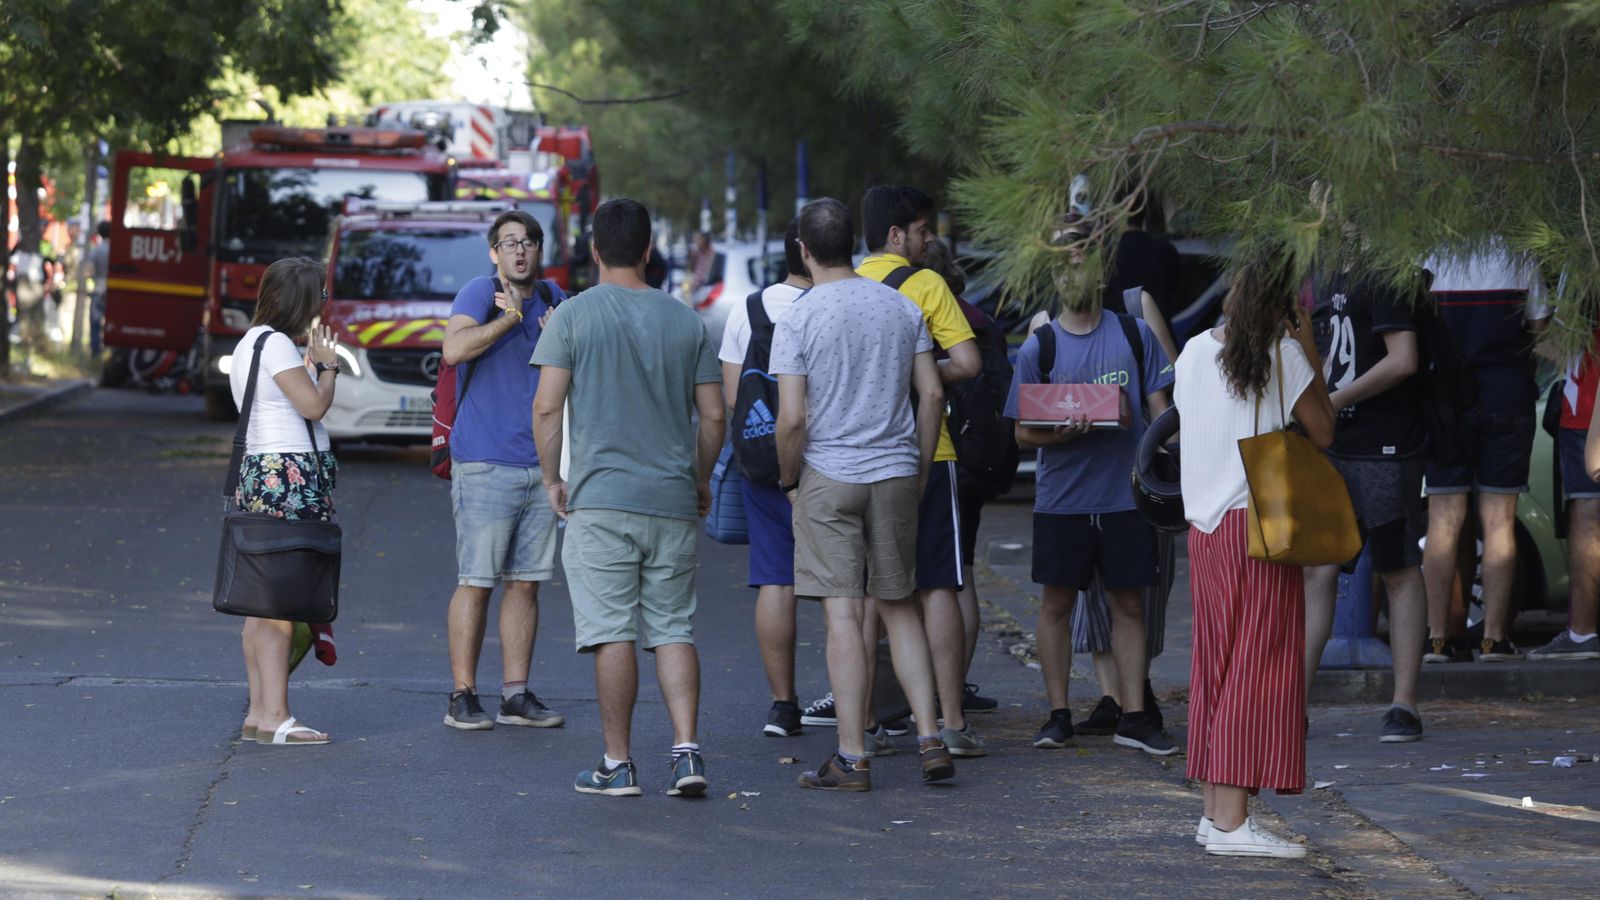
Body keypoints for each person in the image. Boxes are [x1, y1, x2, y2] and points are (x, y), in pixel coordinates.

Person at [532, 198, 724, 799]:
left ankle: (619, 763)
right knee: (673, 628)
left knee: (612, 631)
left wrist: (552, 479)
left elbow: (545, 407)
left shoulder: (571, 316)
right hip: (670, 498)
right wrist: (699, 477)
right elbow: (714, 415)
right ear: (647, 251)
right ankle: (687, 754)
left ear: (594, 251)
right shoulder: (685, 320)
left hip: (601, 500)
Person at [772, 197, 952, 790]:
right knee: (901, 607)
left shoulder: (798, 316)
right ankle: (931, 736)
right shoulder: (900, 306)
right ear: (853, 241)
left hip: (829, 474)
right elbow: (930, 396)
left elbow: (792, 418)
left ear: (803, 250)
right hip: (896, 470)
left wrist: (790, 479)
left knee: (845, 615)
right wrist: (919, 467)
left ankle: (852, 756)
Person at [1174, 251, 1334, 858]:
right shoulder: (1282, 354)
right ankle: (1234, 823)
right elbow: (1323, 429)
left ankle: (1216, 815)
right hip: (1258, 527)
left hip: (1206, 528)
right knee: (1256, 669)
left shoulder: (1191, 352)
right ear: (1281, 303)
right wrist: (1308, 340)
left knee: (1217, 666)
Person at [1005, 215, 1176, 757]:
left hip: (1125, 497)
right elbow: (1021, 433)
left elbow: (1163, 415)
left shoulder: (1133, 333)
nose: (1076, 270)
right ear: (1053, 276)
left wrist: (1160, 449)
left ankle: (1132, 716)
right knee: (1056, 604)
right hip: (1063, 501)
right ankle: (1057, 715)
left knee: (1130, 605)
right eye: (1065, 263)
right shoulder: (1042, 347)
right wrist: (1061, 431)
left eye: (1086, 259)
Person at [853, 184, 990, 757]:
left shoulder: (845, 287)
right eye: (921, 230)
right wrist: (916, 367)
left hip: (860, 458)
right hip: (928, 456)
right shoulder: (927, 284)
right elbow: (968, 362)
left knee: (865, 596)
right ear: (896, 235)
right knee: (938, 586)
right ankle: (950, 721)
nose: (928, 239)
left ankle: (859, 724)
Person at [438, 209, 566, 732]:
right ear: (494, 253)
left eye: (529, 242)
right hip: (485, 461)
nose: (520, 251)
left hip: (542, 465)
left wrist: (564, 335)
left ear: (539, 250)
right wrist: (509, 319)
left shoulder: (557, 298)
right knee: (477, 581)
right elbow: (453, 349)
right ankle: (462, 695)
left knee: (527, 584)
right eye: (509, 243)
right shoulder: (479, 292)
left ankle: (515, 694)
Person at [1301, 261, 1429, 741]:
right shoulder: (1325, 271)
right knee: (1317, 571)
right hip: (1332, 443)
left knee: (1395, 566)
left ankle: (1405, 704)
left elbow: (1404, 358)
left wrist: (1332, 401)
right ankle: (1295, 704)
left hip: (1384, 446)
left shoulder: (1383, 270)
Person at [231, 257, 343, 747]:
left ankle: (260, 713)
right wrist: (328, 368)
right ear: (302, 300)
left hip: (263, 475)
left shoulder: (250, 341)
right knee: (281, 605)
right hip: (287, 480)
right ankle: (276, 715)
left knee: (262, 604)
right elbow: (314, 405)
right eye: (320, 295)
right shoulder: (275, 343)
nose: (323, 303)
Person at [1420, 247, 1551, 662]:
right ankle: (1494, 638)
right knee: (1498, 522)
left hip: (1444, 400)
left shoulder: (1427, 254)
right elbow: (1540, 326)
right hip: (1506, 394)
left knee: (1442, 521)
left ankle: (1438, 638)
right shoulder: (1520, 255)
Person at [718, 220, 814, 736]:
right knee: (854, 588)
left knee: (776, 579)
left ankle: (784, 705)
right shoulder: (841, 306)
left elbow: (735, 400)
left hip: (766, 462)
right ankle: (864, 709)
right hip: (831, 462)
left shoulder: (750, 309)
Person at [918, 238, 1006, 712]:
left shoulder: (919, 311)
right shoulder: (979, 320)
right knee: (960, 574)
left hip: (936, 452)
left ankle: (922, 694)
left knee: (926, 585)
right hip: (977, 452)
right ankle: (957, 686)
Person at [1532, 321, 1600, 661]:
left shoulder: (1578, 267)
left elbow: (1549, 332)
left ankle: (1582, 632)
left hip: (1588, 400)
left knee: (1587, 509)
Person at [87, 222, 111, 354]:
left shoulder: (97, 250)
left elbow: (89, 271)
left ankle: (95, 352)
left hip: (99, 288)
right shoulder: (118, 249)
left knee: (95, 322)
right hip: (115, 290)